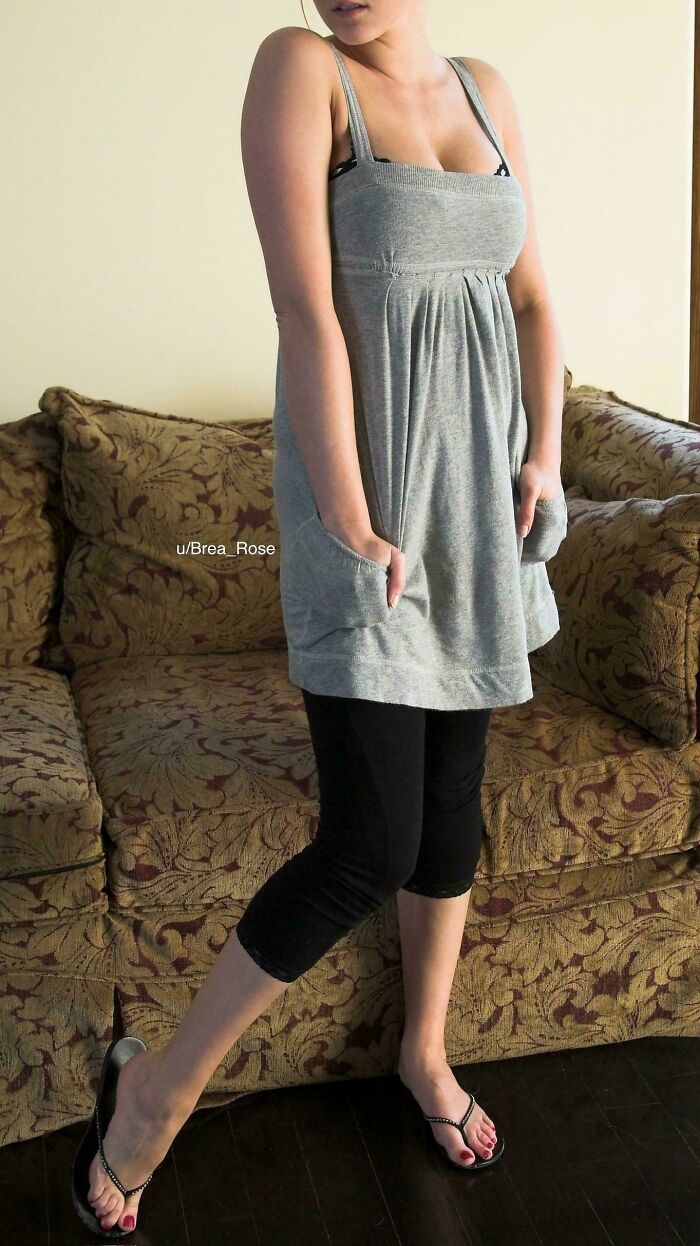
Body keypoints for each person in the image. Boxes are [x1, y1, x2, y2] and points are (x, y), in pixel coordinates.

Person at [81, 2, 566, 1233]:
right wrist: (347, 517)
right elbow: (304, 313)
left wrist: (546, 455)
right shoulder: (302, 70)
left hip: (480, 510)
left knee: (448, 810)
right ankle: (155, 1093)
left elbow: (532, 299)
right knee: (369, 841)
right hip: (371, 516)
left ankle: (423, 1051)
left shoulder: (486, 88)